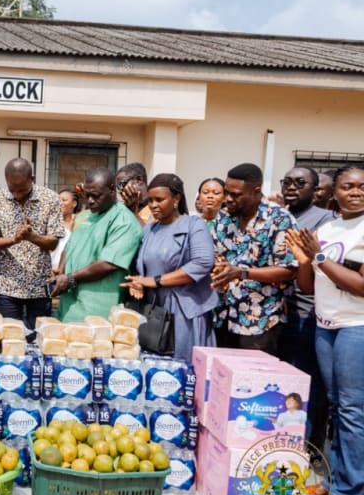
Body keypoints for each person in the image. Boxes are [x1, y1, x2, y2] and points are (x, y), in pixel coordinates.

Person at [286, 165, 364, 495]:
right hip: (325, 324)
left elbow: (361, 286)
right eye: (348, 186)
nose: (356, 192)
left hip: (356, 326)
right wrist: (305, 260)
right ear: (335, 192)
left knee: (352, 411)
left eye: (363, 187)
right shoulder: (329, 227)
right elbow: (307, 285)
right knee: (334, 408)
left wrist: (317, 256)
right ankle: (334, 480)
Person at [121, 173, 218, 361]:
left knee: (181, 366)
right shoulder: (149, 229)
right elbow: (143, 267)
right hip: (154, 310)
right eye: (150, 200)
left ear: (176, 199)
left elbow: (202, 263)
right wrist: (138, 283)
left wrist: (155, 281)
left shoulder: (193, 225)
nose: (153, 205)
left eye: (160, 200)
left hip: (182, 310)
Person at [210, 163, 298, 354]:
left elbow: (289, 270)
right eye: (227, 192)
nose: (228, 199)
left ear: (256, 191)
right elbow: (215, 255)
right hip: (224, 316)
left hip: (261, 321)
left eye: (236, 194)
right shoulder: (224, 217)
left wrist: (241, 273)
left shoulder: (279, 219)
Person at [277, 166, 333, 452]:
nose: (291, 187)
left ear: (315, 190)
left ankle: (308, 447)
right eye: (286, 182)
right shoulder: (278, 216)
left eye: (300, 183)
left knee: (310, 387)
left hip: (307, 312)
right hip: (278, 312)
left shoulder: (325, 220)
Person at [0, 158, 65, 331]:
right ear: (6, 180)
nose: (18, 194)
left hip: (40, 286)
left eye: (23, 189)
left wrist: (31, 236)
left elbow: (53, 242)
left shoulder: (50, 199)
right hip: (8, 286)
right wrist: (14, 239)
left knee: (39, 339)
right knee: (11, 339)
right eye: (13, 189)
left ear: (32, 179)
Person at [50, 167, 143, 321]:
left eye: (96, 195)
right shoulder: (87, 216)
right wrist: (60, 271)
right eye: (87, 196)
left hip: (96, 310)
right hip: (70, 304)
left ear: (112, 190)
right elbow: (70, 247)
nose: (91, 201)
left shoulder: (124, 221)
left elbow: (109, 263)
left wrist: (71, 278)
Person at [51, 187, 81, 270]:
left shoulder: (81, 222)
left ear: (74, 203)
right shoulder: (52, 222)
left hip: (74, 270)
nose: (60, 203)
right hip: (53, 269)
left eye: (64, 200)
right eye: (58, 200)